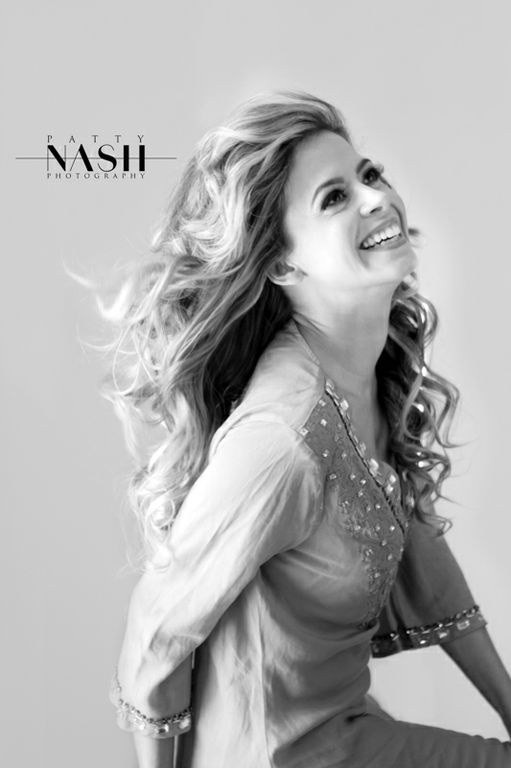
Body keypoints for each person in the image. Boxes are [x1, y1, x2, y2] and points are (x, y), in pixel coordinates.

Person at [105, 90, 511, 767]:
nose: (376, 198)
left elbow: (414, 539)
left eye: (369, 175)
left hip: (338, 733)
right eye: (334, 197)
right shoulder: (282, 439)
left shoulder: (364, 372)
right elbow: (157, 629)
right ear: (282, 265)